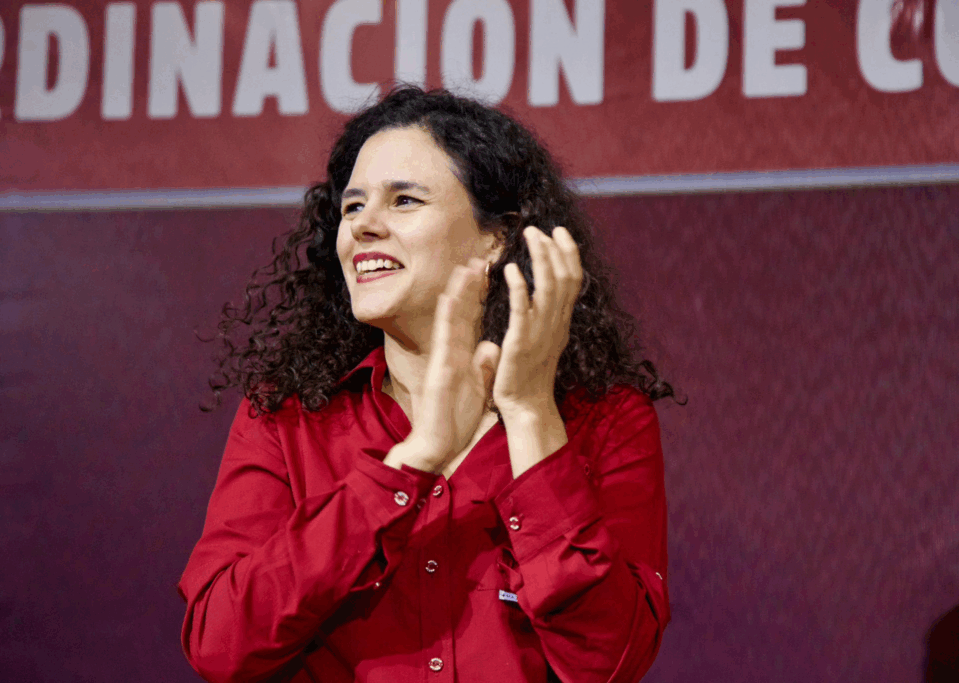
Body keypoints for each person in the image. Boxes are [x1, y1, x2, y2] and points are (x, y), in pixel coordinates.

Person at [179, 85, 676, 683]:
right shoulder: (286, 416)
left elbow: (610, 661)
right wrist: (408, 464)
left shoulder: (606, 419)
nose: (363, 226)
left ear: (497, 236)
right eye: (352, 207)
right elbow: (220, 646)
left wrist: (529, 416)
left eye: (404, 200)